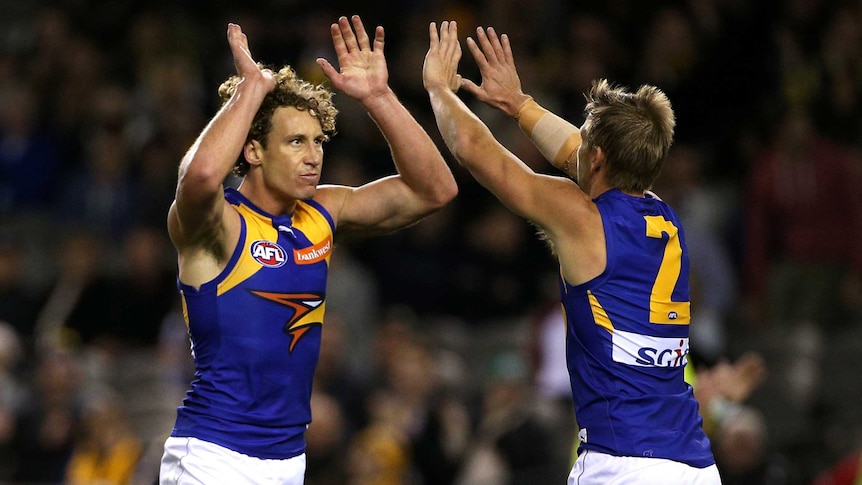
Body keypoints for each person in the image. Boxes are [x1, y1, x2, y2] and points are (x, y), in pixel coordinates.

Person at [159, 15, 457, 485]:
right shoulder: (218, 224)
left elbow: (435, 190)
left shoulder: (323, 212)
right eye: (296, 141)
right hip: (214, 453)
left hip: (289, 458)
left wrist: (379, 98)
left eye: (318, 141)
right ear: (253, 150)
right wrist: (250, 90)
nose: (314, 155)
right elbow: (197, 178)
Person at [422, 21, 720, 483]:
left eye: (585, 138)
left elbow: (473, 147)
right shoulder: (666, 219)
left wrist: (439, 88)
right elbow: (576, 153)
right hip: (695, 465)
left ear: (597, 156)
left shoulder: (582, 218)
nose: (574, 144)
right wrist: (520, 105)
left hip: (621, 463)